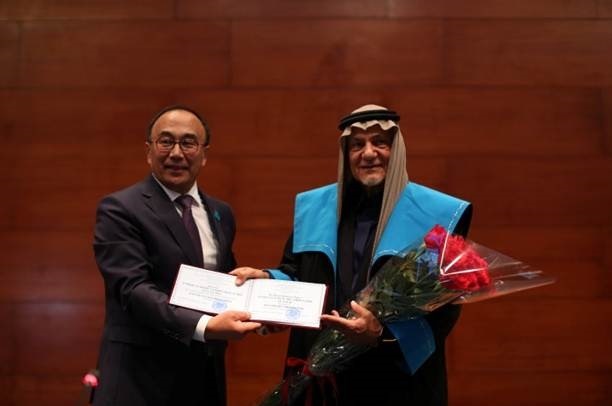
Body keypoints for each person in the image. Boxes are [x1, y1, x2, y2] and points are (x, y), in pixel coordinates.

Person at [234, 104, 473, 405]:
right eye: (357, 145)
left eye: (380, 143)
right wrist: (268, 279)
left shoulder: (434, 213)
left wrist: (380, 334)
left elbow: (445, 304)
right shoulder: (316, 208)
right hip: (322, 378)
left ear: (397, 150)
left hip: (397, 381)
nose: (368, 153)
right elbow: (296, 271)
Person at [92, 105, 262, 406]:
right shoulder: (120, 209)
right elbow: (132, 289)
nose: (176, 153)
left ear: (204, 154)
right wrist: (204, 326)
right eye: (166, 141)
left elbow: (222, 284)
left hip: (203, 379)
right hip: (139, 381)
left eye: (188, 143)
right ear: (149, 150)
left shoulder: (221, 213)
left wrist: (259, 305)